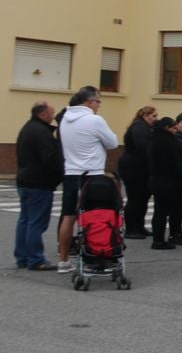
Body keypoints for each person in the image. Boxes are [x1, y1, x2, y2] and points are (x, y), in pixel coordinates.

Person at [58, 86, 118, 272]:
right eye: (98, 102)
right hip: (91, 175)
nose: (99, 106)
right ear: (89, 102)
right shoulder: (94, 120)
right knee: (94, 217)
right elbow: (113, 142)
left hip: (70, 172)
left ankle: (63, 259)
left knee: (68, 216)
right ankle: (94, 256)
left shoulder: (65, 120)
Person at [14, 100, 62, 271]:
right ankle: (36, 259)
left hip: (24, 180)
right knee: (36, 222)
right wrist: (59, 175)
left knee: (25, 220)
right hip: (39, 183)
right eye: (51, 112)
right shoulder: (42, 133)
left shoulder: (27, 128)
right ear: (42, 114)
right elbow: (49, 159)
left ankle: (22, 257)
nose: (53, 116)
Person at [148, 116, 182, 248]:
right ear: (167, 128)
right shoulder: (166, 141)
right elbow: (175, 162)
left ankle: (158, 238)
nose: (175, 130)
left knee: (159, 210)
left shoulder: (154, 139)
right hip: (166, 181)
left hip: (157, 179)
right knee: (162, 211)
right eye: (173, 127)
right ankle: (159, 240)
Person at [118, 105, 156, 238]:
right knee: (135, 198)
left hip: (139, 167)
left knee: (142, 198)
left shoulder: (143, 127)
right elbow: (142, 147)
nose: (155, 119)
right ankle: (130, 228)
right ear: (145, 116)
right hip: (133, 167)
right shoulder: (139, 127)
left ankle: (139, 226)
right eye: (153, 116)